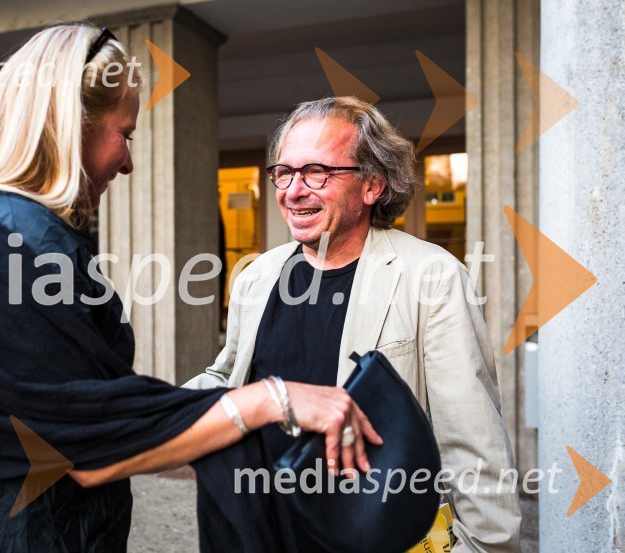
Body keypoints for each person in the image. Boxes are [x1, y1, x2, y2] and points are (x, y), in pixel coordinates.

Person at [0, 25, 379, 552]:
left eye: (317, 172)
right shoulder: (18, 240)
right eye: (125, 134)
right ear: (71, 125)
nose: (128, 163)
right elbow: (89, 435)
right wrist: (274, 399)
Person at [186, 96, 523, 551]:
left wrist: (484, 546)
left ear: (372, 185)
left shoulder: (432, 276)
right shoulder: (258, 276)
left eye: (317, 172)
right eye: (284, 172)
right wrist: (140, 411)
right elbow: (228, 377)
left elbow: (472, 441)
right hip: (257, 530)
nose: (293, 190)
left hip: (366, 533)